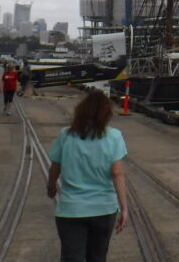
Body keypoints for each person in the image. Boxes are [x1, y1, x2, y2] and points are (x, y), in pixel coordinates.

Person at [47, 92, 128, 262]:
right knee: (97, 257)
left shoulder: (66, 135)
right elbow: (117, 173)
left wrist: (51, 186)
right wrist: (124, 208)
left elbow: (56, 167)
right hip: (104, 208)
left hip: (71, 209)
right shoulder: (114, 137)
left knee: (71, 257)